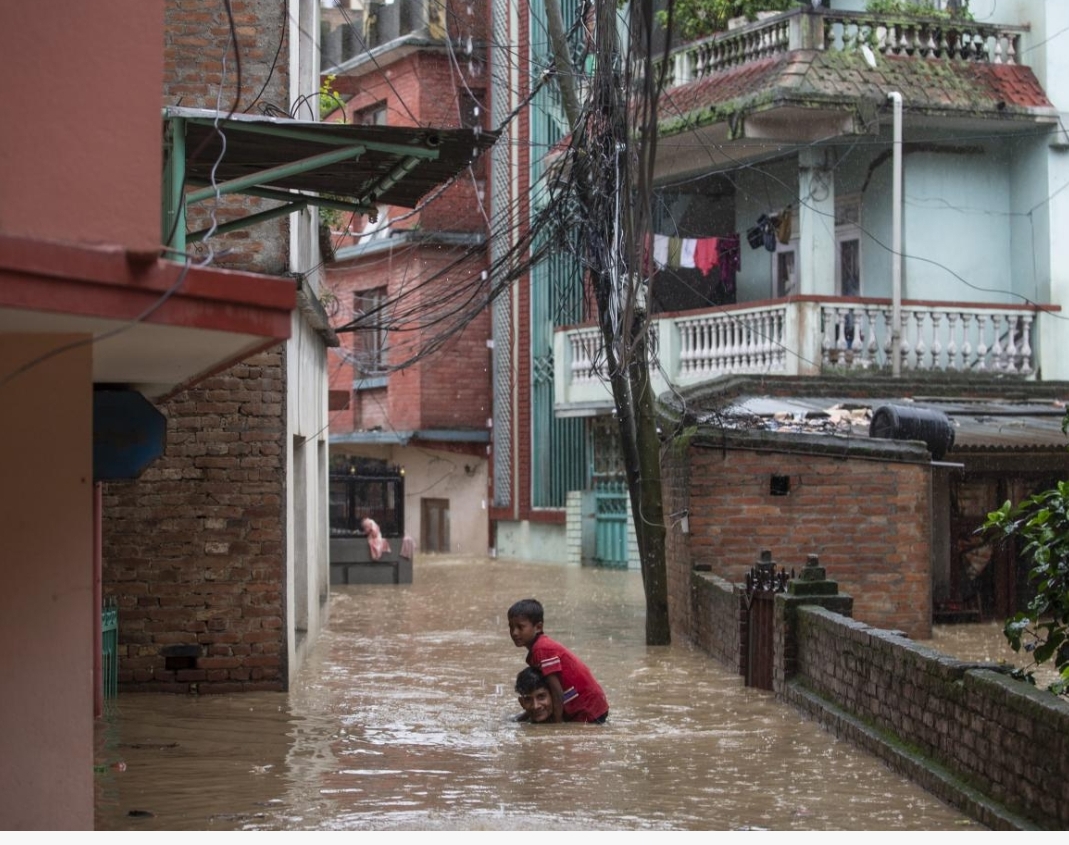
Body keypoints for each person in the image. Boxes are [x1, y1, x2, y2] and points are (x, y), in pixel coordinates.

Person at [507, 598, 609, 724]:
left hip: (588, 708)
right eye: (511, 627)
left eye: (520, 627)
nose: (514, 633)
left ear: (538, 627)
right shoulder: (540, 648)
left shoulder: (542, 650)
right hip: (589, 704)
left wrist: (557, 724)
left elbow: (556, 691)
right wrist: (521, 718)